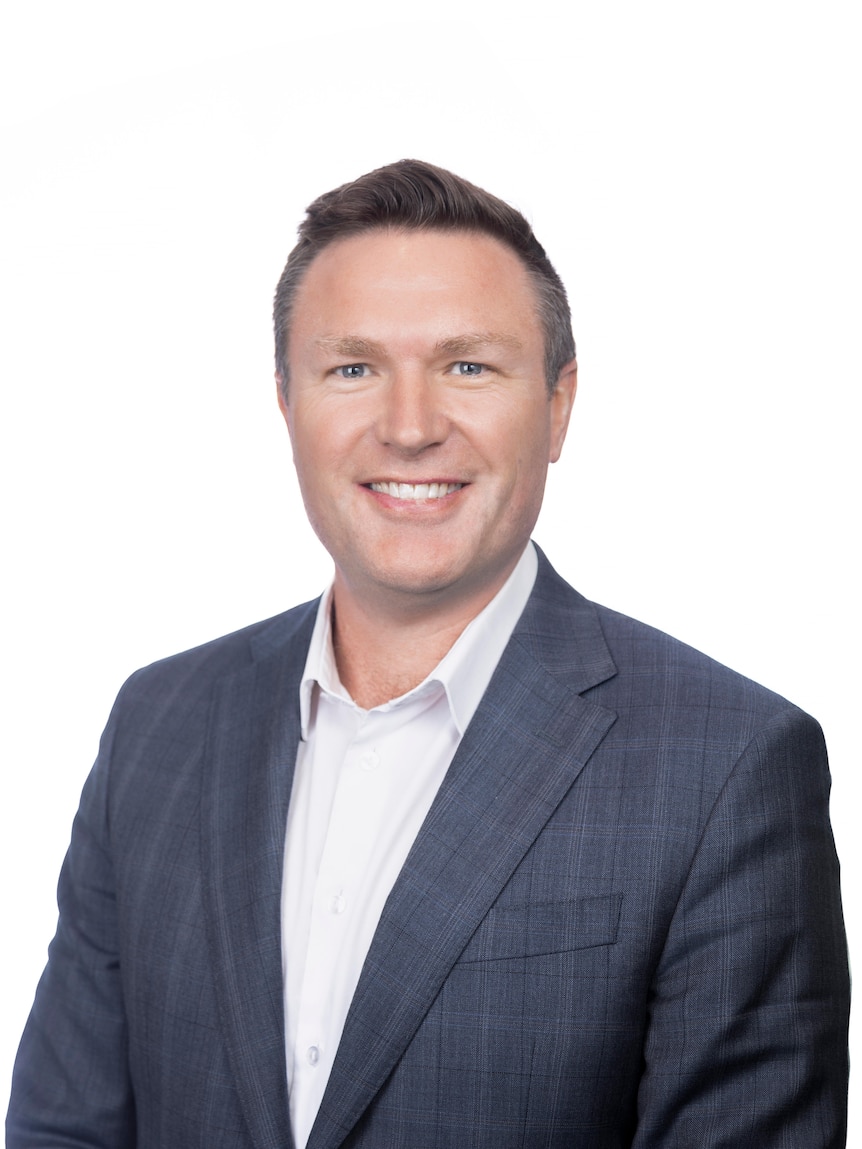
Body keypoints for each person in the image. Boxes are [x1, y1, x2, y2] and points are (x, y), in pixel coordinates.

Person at [7, 159, 849, 1148]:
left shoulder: (728, 765)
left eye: (468, 366)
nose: (409, 428)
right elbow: (65, 1130)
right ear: (287, 402)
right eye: (352, 368)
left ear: (559, 405)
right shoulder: (162, 722)